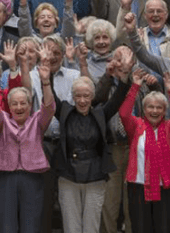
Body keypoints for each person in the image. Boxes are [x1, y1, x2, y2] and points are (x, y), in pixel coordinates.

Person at [0, 39, 54, 233]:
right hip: (6, 177)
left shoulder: (37, 121)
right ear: (9, 106)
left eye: (23, 103)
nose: (19, 107)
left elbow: (49, 107)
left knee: (31, 225)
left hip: (32, 176)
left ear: (30, 105)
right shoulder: (3, 121)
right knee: (7, 226)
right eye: (14, 103)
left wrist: (46, 81)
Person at [55, 64, 132, 233]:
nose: (82, 100)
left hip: (95, 175)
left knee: (92, 225)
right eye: (78, 96)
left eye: (86, 96)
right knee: (71, 226)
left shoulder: (101, 113)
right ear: (73, 97)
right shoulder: (65, 112)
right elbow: (50, 99)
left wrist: (124, 76)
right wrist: (45, 79)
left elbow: (118, 97)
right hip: (68, 176)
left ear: (92, 96)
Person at [119, 65, 170, 233]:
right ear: (144, 109)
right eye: (150, 107)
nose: (154, 111)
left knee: (164, 228)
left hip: (166, 188)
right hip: (138, 187)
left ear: (164, 111)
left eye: (159, 107)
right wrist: (135, 86)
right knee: (140, 228)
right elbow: (124, 113)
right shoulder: (136, 125)